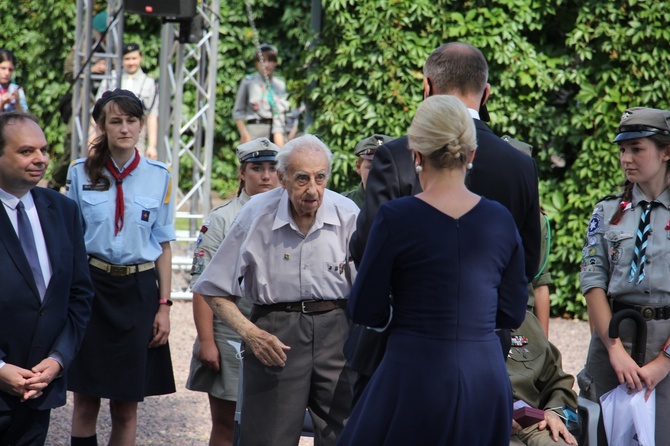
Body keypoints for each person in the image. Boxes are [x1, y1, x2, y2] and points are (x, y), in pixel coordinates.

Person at [346, 41, 541, 397]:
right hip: (483, 353)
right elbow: (527, 263)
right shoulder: (520, 164)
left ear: (427, 87)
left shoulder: (396, 154)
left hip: (398, 349)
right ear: (486, 93)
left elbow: (368, 249)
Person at [337, 95, 527, 445]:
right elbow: (512, 309)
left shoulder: (396, 218)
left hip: (413, 369)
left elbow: (365, 307)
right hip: (484, 374)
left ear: (416, 155)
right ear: (471, 155)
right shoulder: (499, 219)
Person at [192, 134, 358, 446]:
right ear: (281, 178)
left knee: (345, 434)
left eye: (320, 178)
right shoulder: (256, 213)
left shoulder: (347, 213)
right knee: (267, 438)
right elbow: (213, 289)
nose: (312, 189)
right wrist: (250, 333)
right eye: (302, 179)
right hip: (274, 333)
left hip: (337, 330)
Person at [65, 89, 176, 446]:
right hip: (91, 288)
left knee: (126, 406)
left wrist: (165, 306)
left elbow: (163, 245)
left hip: (138, 291)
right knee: (84, 400)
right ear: (101, 127)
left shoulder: (160, 176)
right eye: (115, 121)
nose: (125, 128)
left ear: (142, 124)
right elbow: (69, 241)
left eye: (131, 120)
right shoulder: (80, 173)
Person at [0, 113, 94, 445]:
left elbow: (79, 295)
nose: (40, 159)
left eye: (44, 150)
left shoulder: (63, 210)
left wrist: (58, 360)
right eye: (27, 151)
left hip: (40, 391)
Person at [579, 106, 670, 444]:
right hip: (613, 339)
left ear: (666, 152)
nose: (626, 158)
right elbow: (592, 279)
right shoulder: (606, 211)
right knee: (604, 434)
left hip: (665, 342)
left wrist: (664, 362)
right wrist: (614, 349)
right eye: (622, 149)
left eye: (637, 149)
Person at [186, 137, 279, 446]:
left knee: (268, 425)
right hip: (229, 336)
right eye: (257, 168)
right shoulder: (222, 219)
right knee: (226, 426)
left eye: (273, 168)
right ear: (242, 173)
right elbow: (202, 286)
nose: (266, 176)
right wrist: (208, 341)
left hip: (273, 330)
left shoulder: (285, 214)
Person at [508, 312, 578, 446]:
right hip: (486, 426)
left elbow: (558, 382)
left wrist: (553, 412)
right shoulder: (459, 326)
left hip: (534, 423)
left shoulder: (527, 322)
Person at [94, 43, 159, 159]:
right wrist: (92, 138)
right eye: (127, 59)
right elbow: (97, 111)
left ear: (140, 58)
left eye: (134, 58)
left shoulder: (149, 83)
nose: (131, 62)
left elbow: (152, 116)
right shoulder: (111, 79)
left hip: (138, 136)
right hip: (111, 136)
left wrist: (152, 146)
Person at [232, 43, 289, 147]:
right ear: (256, 63)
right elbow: (238, 112)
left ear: (275, 62)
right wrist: (245, 135)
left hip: (276, 131)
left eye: (270, 60)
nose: (266, 65)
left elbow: (280, 113)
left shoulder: (280, 84)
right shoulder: (248, 82)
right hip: (254, 131)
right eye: (262, 61)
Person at [341, 134, 393, 208]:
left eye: (386, 167)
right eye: (371, 167)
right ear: (358, 167)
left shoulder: (409, 206)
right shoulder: (341, 205)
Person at [0, 49, 28, 113]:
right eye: (3, 68)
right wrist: (2, 103)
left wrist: (17, 103)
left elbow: (25, 117)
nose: (7, 73)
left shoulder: (16, 90)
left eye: (10, 70)